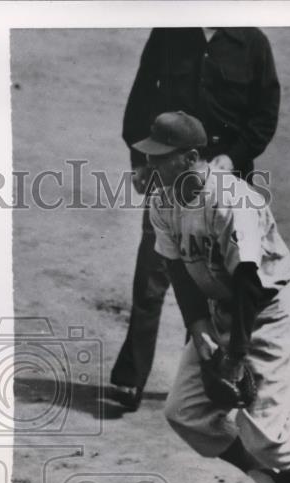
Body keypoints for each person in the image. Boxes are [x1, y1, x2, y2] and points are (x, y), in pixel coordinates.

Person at [133, 111, 290, 483]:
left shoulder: (231, 201)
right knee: (184, 413)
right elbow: (176, 266)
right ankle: (269, 478)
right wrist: (201, 330)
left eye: (161, 158)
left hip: (270, 313)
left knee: (260, 429)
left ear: (189, 157)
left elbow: (248, 282)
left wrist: (236, 355)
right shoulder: (164, 200)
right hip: (221, 312)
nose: (152, 166)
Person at [111, 27, 280, 411]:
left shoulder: (251, 42)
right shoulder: (170, 31)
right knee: (152, 277)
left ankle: (214, 379)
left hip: (226, 181)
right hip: (169, 173)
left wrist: (233, 157)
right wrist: (141, 163)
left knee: (220, 283)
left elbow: (264, 115)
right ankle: (131, 377)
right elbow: (140, 102)